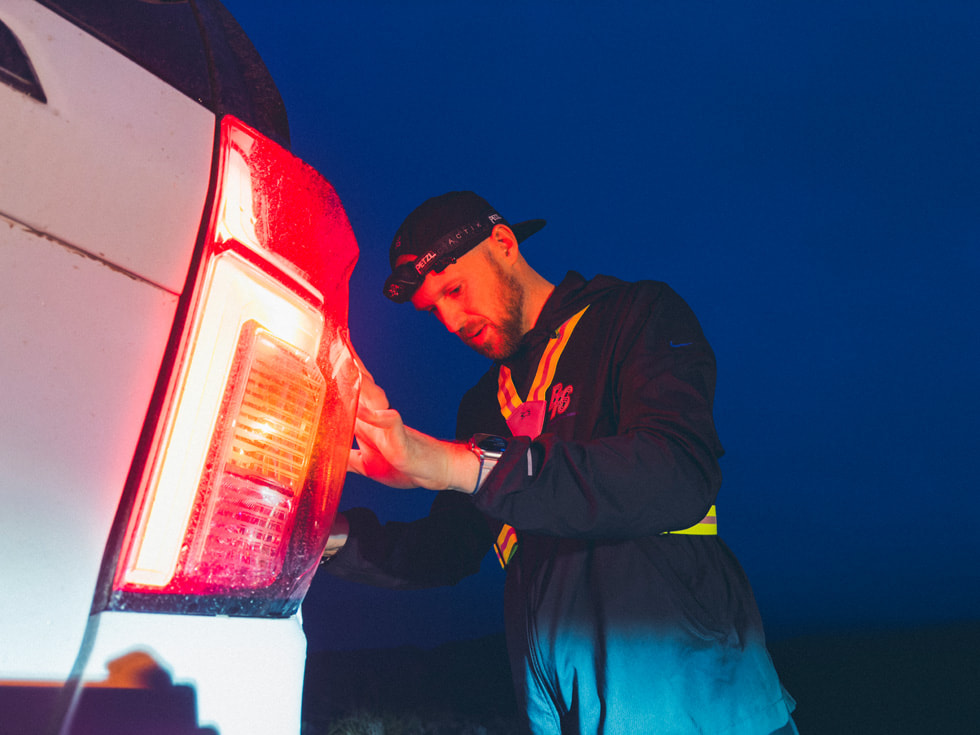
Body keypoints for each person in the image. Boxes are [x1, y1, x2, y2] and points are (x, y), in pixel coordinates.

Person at [321, 191, 798, 734]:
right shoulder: (481, 406)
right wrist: (327, 536)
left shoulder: (634, 315)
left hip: (698, 701)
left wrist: (462, 466)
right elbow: (450, 549)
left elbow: (679, 474)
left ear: (504, 244)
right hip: (562, 711)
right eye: (434, 310)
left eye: (454, 290)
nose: (450, 321)